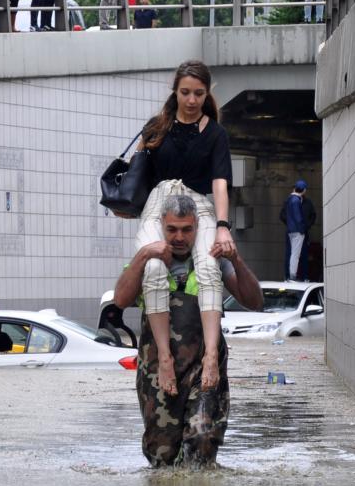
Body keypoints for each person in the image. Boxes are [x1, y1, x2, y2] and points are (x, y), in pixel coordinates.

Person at [112, 194, 262, 466]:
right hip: (159, 371)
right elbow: (120, 299)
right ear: (162, 226)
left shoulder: (212, 262)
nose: (179, 237)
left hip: (203, 369)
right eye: (172, 229)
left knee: (203, 439)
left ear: (197, 227)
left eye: (186, 229)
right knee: (161, 452)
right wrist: (144, 254)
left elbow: (255, 301)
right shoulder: (148, 264)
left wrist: (236, 260)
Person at [132, 60, 234, 396]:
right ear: (175, 91)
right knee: (152, 269)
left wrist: (222, 226)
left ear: (207, 94)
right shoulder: (156, 127)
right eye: (185, 92)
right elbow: (139, 178)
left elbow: (220, 183)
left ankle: (211, 354)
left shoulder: (216, 134)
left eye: (199, 94)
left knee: (209, 268)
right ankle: (163, 357)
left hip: (199, 207)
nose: (192, 100)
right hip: (158, 206)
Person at [281, 179, 309, 281]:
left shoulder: (290, 199)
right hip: (297, 230)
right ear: (304, 190)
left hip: (291, 230)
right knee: (295, 254)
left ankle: (289, 276)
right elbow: (298, 217)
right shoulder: (296, 200)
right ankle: (292, 276)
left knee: (292, 253)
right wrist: (302, 229)